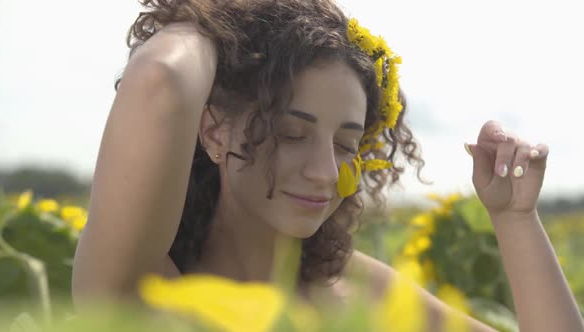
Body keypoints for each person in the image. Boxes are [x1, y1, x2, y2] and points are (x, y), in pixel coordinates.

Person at [71, 0, 584, 331]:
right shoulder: (152, 292)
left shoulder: (359, 291)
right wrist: (220, 24)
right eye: (292, 134)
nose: (323, 170)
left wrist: (515, 219)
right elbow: (160, 79)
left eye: (345, 144)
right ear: (213, 131)